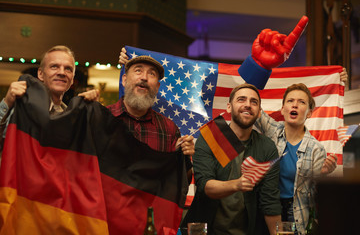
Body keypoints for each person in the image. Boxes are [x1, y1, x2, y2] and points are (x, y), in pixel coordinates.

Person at [183, 84, 281, 235]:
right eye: (241, 100)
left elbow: (270, 202)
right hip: (206, 229)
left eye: (254, 102)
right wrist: (237, 184)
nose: (248, 105)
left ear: (259, 112)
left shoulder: (267, 147)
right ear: (229, 107)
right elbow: (205, 186)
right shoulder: (211, 137)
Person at [253, 81, 345, 234]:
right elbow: (252, 104)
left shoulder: (316, 149)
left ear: (309, 113)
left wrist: (322, 175)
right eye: (290, 101)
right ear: (283, 109)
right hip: (266, 209)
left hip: (295, 213)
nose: (295, 105)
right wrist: (256, 68)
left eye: (301, 102)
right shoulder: (272, 131)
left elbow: (315, 197)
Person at [106, 55, 195, 181]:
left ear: (157, 87)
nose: (144, 77)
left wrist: (183, 157)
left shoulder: (169, 130)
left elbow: (180, 182)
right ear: (124, 80)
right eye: (138, 70)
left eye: (152, 74)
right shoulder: (102, 118)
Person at [0, 45, 99, 150]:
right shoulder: (22, 109)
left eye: (68, 69)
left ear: (72, 79)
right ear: (41, 74)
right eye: (54, 66)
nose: (62, 72)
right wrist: (7, 102)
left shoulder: (73, 119)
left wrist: (94, 116)